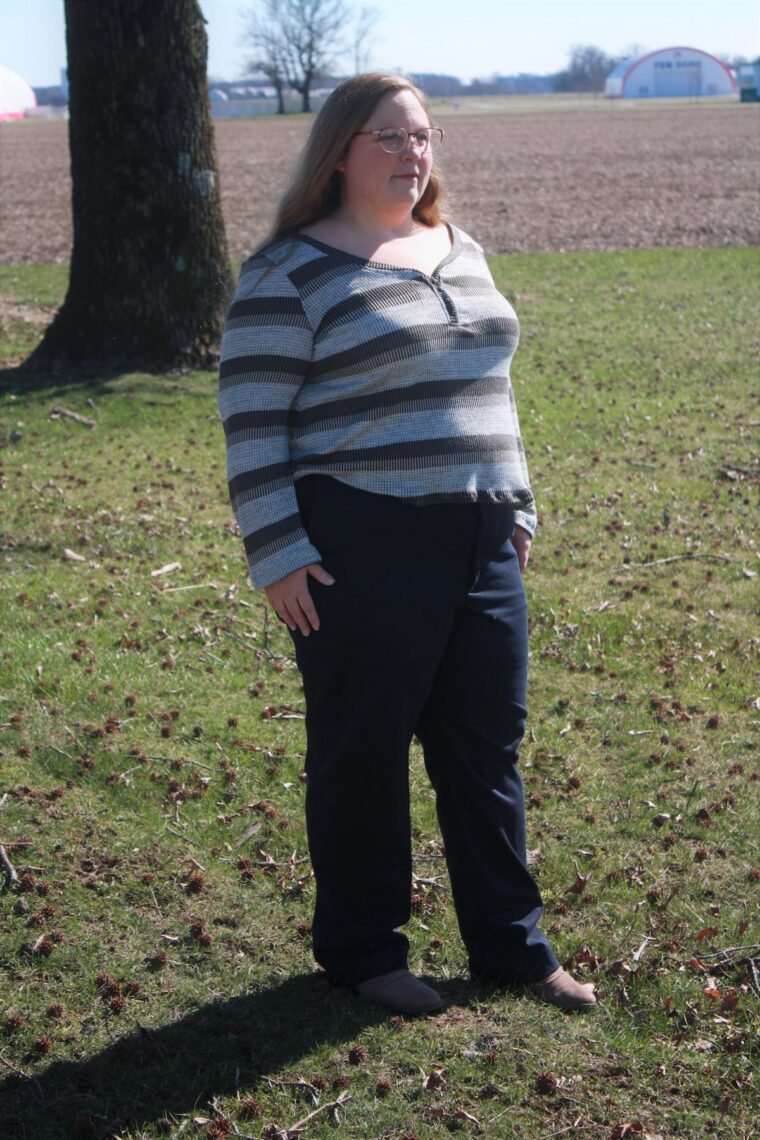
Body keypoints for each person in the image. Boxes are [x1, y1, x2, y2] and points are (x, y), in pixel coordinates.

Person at [219, 73, 597, 1015]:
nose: (410, 153)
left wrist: (518, 508)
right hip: (360, 541)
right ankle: (363, 951)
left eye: (421, 136)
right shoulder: (291, 272)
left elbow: (493, 391)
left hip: (479, 542)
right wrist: (276, 552)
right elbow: (252, 421)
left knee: (485, 749)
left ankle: (512, 948)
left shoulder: (457, 247)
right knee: (364, 750)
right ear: (340, 150)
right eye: (388, 137)